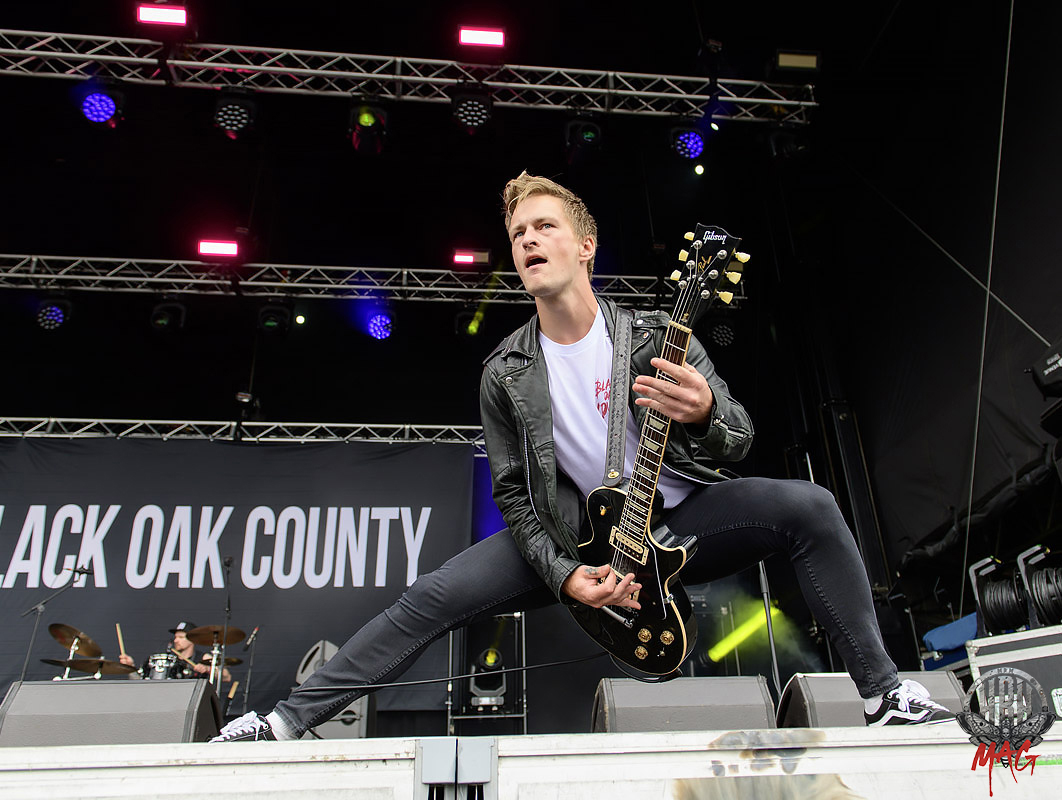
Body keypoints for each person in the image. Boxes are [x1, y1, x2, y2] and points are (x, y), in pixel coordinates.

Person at [211, 172, 953, 742]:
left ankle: (883, 693)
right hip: (569, 535)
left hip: (682, 518)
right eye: (517, 233)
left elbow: (739, 439)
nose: (528, 241)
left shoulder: (659, 336)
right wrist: (564, 573)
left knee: (811, 507)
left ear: (585, 246)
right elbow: (512, 496)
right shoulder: (505, 371)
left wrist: (704, 412)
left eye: (544, 226)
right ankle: (282, 722)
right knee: (431, 596)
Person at [120, 621, 232, 682]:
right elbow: (143, 684)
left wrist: (208, 669)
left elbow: (227, 677)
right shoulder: (168, 660)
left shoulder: (203, 658)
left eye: (181, 637)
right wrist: (130, 667)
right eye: (175, 637)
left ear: (192, 640)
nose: (176, 640)